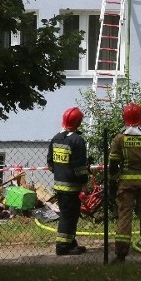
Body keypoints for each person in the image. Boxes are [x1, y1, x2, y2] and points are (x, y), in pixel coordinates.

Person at [108, 102, 141, 263]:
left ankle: (120, 255)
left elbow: (113, 165)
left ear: (124, 118)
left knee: (124, 217)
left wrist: (112, 184)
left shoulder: (119, 139)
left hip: (126, 185)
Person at [46, 106, 89, 256]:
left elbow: (50, 164)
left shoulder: (56, 138)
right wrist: (84, 182)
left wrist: (61, 171)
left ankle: (70, 242)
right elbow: (79, 167)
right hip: (72, 187)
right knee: (68, 217)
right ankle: (62, 247)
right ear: (78, 122)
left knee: (68, 215)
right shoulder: (77, 140)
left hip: (59, 185)